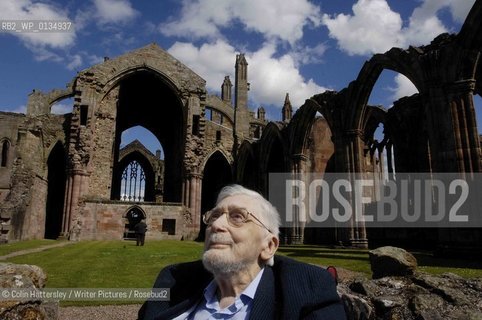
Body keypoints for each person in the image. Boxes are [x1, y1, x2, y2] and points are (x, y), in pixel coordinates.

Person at [138, 184, 346, 319]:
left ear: (269, 246)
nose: (216, 225)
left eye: (237, 217)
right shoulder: (173, 280)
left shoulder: (307, 290)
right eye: (213, 216)